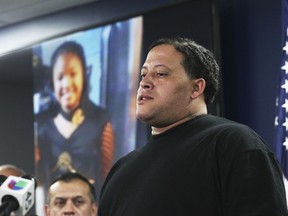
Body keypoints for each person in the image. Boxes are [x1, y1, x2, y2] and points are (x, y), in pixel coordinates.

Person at [98, 37, 288, 216]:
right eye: (143, 74)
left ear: (196, 88)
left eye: (161, 74)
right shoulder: (120, 170)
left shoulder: (232, 143)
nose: (145, 83)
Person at [35, 41, 115, 203]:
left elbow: (108, 179)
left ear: (84, 77)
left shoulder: (100, 121)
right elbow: (39, 180)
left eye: (73, 74)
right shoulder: (41, 124)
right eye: (60, 77)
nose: (66, 84)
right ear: (52, 81)